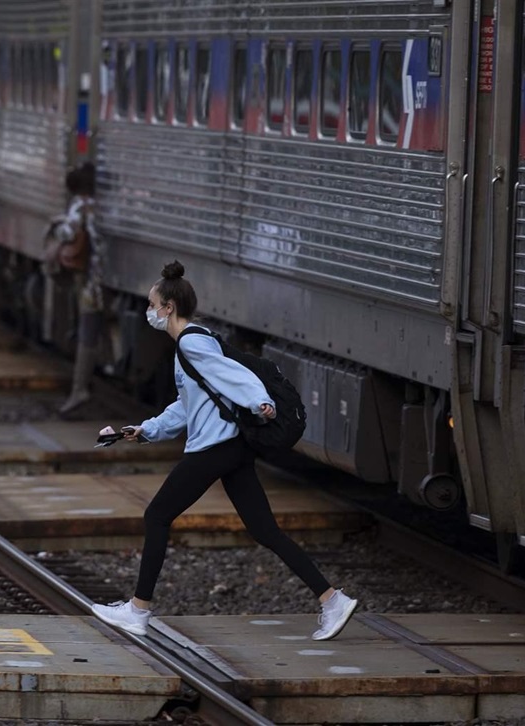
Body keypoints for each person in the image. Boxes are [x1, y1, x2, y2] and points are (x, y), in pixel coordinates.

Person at [91, 261, 358, 640]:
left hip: (214, 448)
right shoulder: (193, 342)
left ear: (168, 307)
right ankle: (333, 601)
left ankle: (138, 611)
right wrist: (146, 430)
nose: (148, 311)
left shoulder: (191, 341)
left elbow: (237, 377)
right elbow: (188, 406)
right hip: (230, 448)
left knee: (157, 516)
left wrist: (258, 401)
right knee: (264, 530)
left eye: (152, 304)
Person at [47, 163, 104, 415]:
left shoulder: (81, 206)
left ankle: (80, 388)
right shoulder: (103, 203)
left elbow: (67, 233)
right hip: (104, 275)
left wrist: (57, 224)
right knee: (92, 327)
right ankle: (89, 380)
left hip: (91, 280)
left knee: (87, 329)